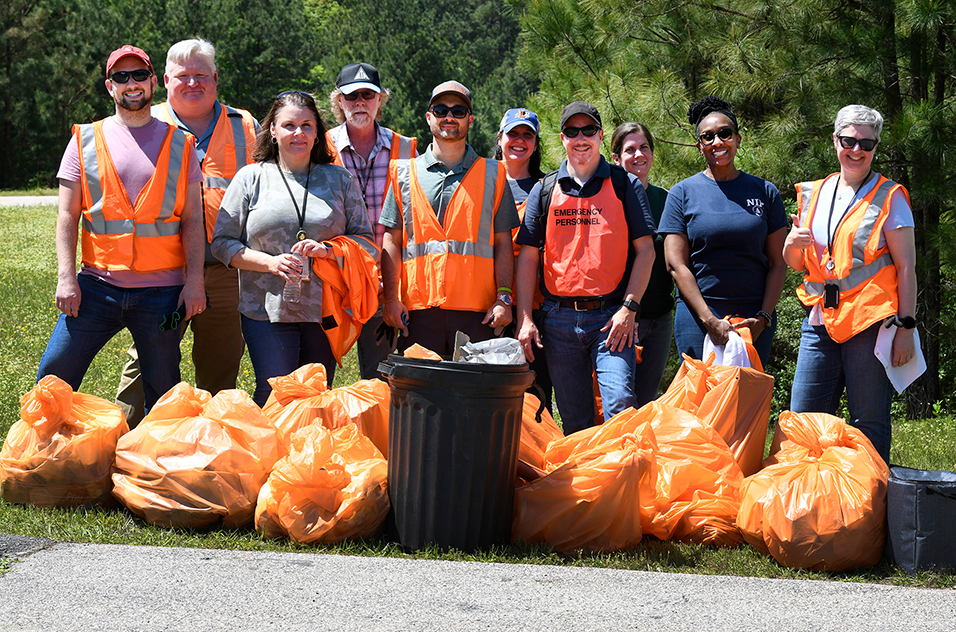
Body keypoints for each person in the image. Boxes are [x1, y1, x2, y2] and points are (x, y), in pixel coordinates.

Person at [37, 44, 206, 415]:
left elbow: (194, 218)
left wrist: (195, 281)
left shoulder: (181, 143)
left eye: (139, 75)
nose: (132, 84)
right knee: (53, 375)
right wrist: (66, 277)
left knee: (163, 391)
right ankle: (41, 460)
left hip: (161, 294)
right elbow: (67, 215)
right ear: (109, 86)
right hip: (96, 289)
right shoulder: (83, 140)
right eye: (121, 77)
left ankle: (151, 466)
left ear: (152, 83)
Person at [114, 38, 258, 425]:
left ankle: (206, 459)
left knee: (220, 372)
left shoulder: (244, 125)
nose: (192, 83)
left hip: (228, 272)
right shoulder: (148, 123)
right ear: (164, 80)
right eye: (183, 76)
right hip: (163, 273)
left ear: (215, 78)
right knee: (145, 365)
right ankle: (126, 445)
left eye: (201, 75)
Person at [211, 91, 371, 406]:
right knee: (275, 394)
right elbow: (222, 242)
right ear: (273, 130)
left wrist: (329, 250)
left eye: (306, 125)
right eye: (289, 125)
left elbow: (366, 241)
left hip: (324, 310)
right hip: (265, 310)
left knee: (313, 398)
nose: (298, 133)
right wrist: (269, 264)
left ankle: (305, 456)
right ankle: (267, 456)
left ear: (317, 132)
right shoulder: (251, 178)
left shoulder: (339, 180)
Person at [783, 105, 917, 464]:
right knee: (804, 418)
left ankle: (872, 513)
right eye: (849, 140)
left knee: (868, 422)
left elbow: (907, 267)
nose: (856, 150)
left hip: (870, 321)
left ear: (876, 146)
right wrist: (790, 245)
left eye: (867, 143)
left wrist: (906, 328)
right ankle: (803, 507)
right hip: (819, 319)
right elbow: (797, 263)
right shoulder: (815, 192)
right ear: (835, 140)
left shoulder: (891, 196)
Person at [515, 101, 656, 434]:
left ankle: (621, 483)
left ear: (601, 135)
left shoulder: (625, 186)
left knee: (620, 404)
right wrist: (525, 319)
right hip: (558, 320)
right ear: (562, 138)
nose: (581, 138)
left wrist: (629, 309)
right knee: (576, 422)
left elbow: (647, 252)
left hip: (612, 319)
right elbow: (528, 257)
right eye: (572, 131)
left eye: (588, 130)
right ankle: (588, 485)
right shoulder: (545, 189)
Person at [379, 81, 519, 356]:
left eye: (458, 111)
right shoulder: (404, 173)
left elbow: (504, 243)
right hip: (417, 314)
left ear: (470, 119)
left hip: (478, 315)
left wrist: (504, 298)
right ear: (429, 117)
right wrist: (391, 300)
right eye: (441, 110)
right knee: (420, 398)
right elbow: (391, 241)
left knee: (472, 398)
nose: (449, 117)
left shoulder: (494, 174)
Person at [658, 96, 787, 369]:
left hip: (754, 318)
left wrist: (763, 317)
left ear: (738, 139)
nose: (717, 142)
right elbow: (675, 264)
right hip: (697, 316)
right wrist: (709, 320)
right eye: (708, 137)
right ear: (700, 146)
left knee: (746, 403)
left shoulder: (765, 192)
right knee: (699, 404)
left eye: (725, 134)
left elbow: (778, 262)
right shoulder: (682, 193)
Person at [326, 62, 417, 379]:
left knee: (382, 383)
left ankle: (376, 431)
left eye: (368, 95)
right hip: (334, 282)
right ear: (339, 101)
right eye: (352, 96)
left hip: (388, 286)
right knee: (313, 380)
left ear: (381, 100)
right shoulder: (319, 147)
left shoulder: (407, 149)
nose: (360, 103)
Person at [492, 107, 553, 409]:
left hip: (536, 308)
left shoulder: (546, 189)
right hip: (486, 303)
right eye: (513, 133)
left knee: (535, 392)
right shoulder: (482, 181)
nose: (519, 140)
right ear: (500, 138)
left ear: (536, 143)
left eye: (527, 135)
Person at [610, 122, 674, 405]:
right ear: (615, 158)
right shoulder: (608, 200)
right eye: (630, 150)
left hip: (659, 318)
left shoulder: (667, 200)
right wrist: (625, 309)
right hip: (618, 318)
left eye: (644, 147)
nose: (639, 155)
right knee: (616, 403)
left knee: (646, 402)